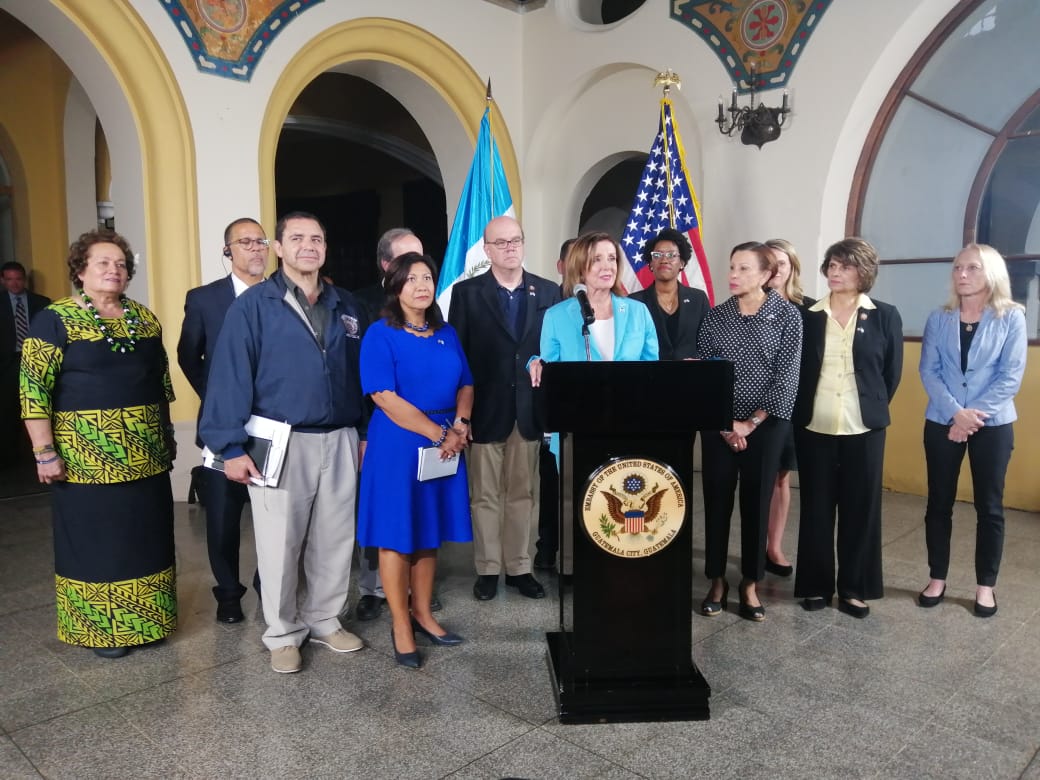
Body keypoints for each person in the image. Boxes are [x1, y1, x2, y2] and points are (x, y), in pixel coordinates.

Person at [200, 211, 368, 674]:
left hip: (341, 437)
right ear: (278, 248)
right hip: (281, 441)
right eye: (296, 238)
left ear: (325, 248)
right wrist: (229, 447)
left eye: (316, 238)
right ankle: (282, 633)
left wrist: (366, 432)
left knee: (336, 539)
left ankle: (325, 619)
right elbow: (230, 375)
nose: (308, 246)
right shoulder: (254, 305)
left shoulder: (347, 305)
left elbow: (364, 375)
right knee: (280, 543)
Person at [20, 230, 176, 658]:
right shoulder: (55, 319)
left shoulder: (144, 318)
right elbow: (33, 389)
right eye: (103, 262)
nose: (114, 270)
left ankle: (148, 621)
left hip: (146, 457)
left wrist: (168, 436)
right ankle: (102, 631)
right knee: (96, 545)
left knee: (146, 539)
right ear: (81, 270)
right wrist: (43, 451)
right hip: (85, 460)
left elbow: (160, 383)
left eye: (121, 264)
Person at [358, 252, 473, 668]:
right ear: (395, 287)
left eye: (427, 278)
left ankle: (424, 613)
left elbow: (466, 382)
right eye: (412, 279)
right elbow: (383, 396)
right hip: (400, 442)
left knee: (428, 530)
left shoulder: (447, 333)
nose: (422, 286)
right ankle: (400, 623)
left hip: (446, 441)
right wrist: (438, 433)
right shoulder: (379, 334)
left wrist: (460, 424)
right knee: (397, 532)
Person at [529, 232, 659, 575]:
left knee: (625, 504)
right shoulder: (557, 316)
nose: (606, 266)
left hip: (627, 429)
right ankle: (579, 573)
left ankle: (621, 569)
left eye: (612, 259)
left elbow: (651, 371)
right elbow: (551, 377)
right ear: (580, 268)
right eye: (597, 259)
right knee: (582, 506)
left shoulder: (638, 312)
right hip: (575, 432)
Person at [449, 215, 560, 601]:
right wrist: (462, 415)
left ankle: (519, 567)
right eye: (501, 242)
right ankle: (488, 569)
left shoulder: (549, 292)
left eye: (516, 240)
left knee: (523, 494)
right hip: (485, 410)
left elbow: (553, 351)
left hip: (528, 412)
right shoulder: (467, 293)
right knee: (484, 495)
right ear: (487, 249)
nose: (510, 247)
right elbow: (458, 360)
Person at [793, 238, 903, 619]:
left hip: (865, 428)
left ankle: (855, 588)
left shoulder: (885, 315)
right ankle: (816, 586)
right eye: (831, 265)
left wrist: (867, 407)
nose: (835, 272)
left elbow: (890, 375)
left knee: (862, 510)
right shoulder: (809, 316)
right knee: (817, 509)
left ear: (864, 271)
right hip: (814, 426)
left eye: (845, 266)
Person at [917, 244, 1026, 618]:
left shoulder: (1011, 317)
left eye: (972, 268)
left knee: (990, 508)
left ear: (991, 273)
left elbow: (1010, 376)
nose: (961, 274)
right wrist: (955, 414)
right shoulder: (940, 317)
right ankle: (936, 578)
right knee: (938, 504)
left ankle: (985, 587)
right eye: (957, 268)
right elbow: (928, 371)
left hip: (992, 425)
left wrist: (971, 418)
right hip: (943, 421)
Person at [697, 242, 802, 622]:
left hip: (767, 425)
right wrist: (728, 426)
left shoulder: (787, 317)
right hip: (719, 426)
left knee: (757, 502)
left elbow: (787, 379)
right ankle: (717, 580)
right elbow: (708, 371)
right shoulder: (716, 316)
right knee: (717, 500)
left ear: (765, 274)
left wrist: (750, 423)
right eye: (731, 267)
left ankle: (751, 583)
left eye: (743, 269)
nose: (733, 275)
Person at [177, 217, 267, 624]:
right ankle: (228, 594)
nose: (255, 248)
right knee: (223, 519)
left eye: (261, 241)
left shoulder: (285, 295)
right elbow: (187, 354)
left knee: (272, 517)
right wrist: (217, 398)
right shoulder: (204, 299)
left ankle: (270, 585)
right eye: (245, 242)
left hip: (273, 428)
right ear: (228, 251)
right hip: (221, 428)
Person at [351, 227, 425, 622]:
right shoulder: (361, 304)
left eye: (420, 258)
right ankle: (372, 588)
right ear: (385, 264)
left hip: (426, 425)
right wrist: (363, 432)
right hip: (380, 426)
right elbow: (360, 378)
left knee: (416, 507)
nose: (416, 269)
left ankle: (415, 587)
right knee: (379, 508)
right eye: (404, 259)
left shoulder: (429, 304)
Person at [761, 238, 808, 577]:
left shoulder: (810, 310)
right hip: (750, 408)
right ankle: (752, 543)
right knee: (756, 479)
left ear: (793, 268)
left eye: (783, 263)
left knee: (780, 478)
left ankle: (774, 546)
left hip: (791, 407)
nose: (777, 270)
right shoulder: (744, 307)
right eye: (770, 262)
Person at [534, 237, 573, 573]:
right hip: (547, 408)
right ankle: (546, 547)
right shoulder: (547, 297)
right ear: (562, 266)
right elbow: (536, 350)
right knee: (550, 484)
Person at [628, 228, 709, 361]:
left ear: (682, 263)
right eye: (657, 255)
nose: (664, 260)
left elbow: (708, 344)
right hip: (648, 378)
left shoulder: (698, 299)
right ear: (651, 263)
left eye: (671, 255)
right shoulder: (635, 302)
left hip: (690, 378)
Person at [2, 260, 50, 467]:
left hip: (35, 360)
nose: (14, 284)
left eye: (18, 279)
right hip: (7, 363)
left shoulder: (42, 302)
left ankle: (42, 453)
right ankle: (10, 459)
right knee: (8, 409)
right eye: (9, 279)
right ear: (3, 281)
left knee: (38, 405)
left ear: (25, 280)